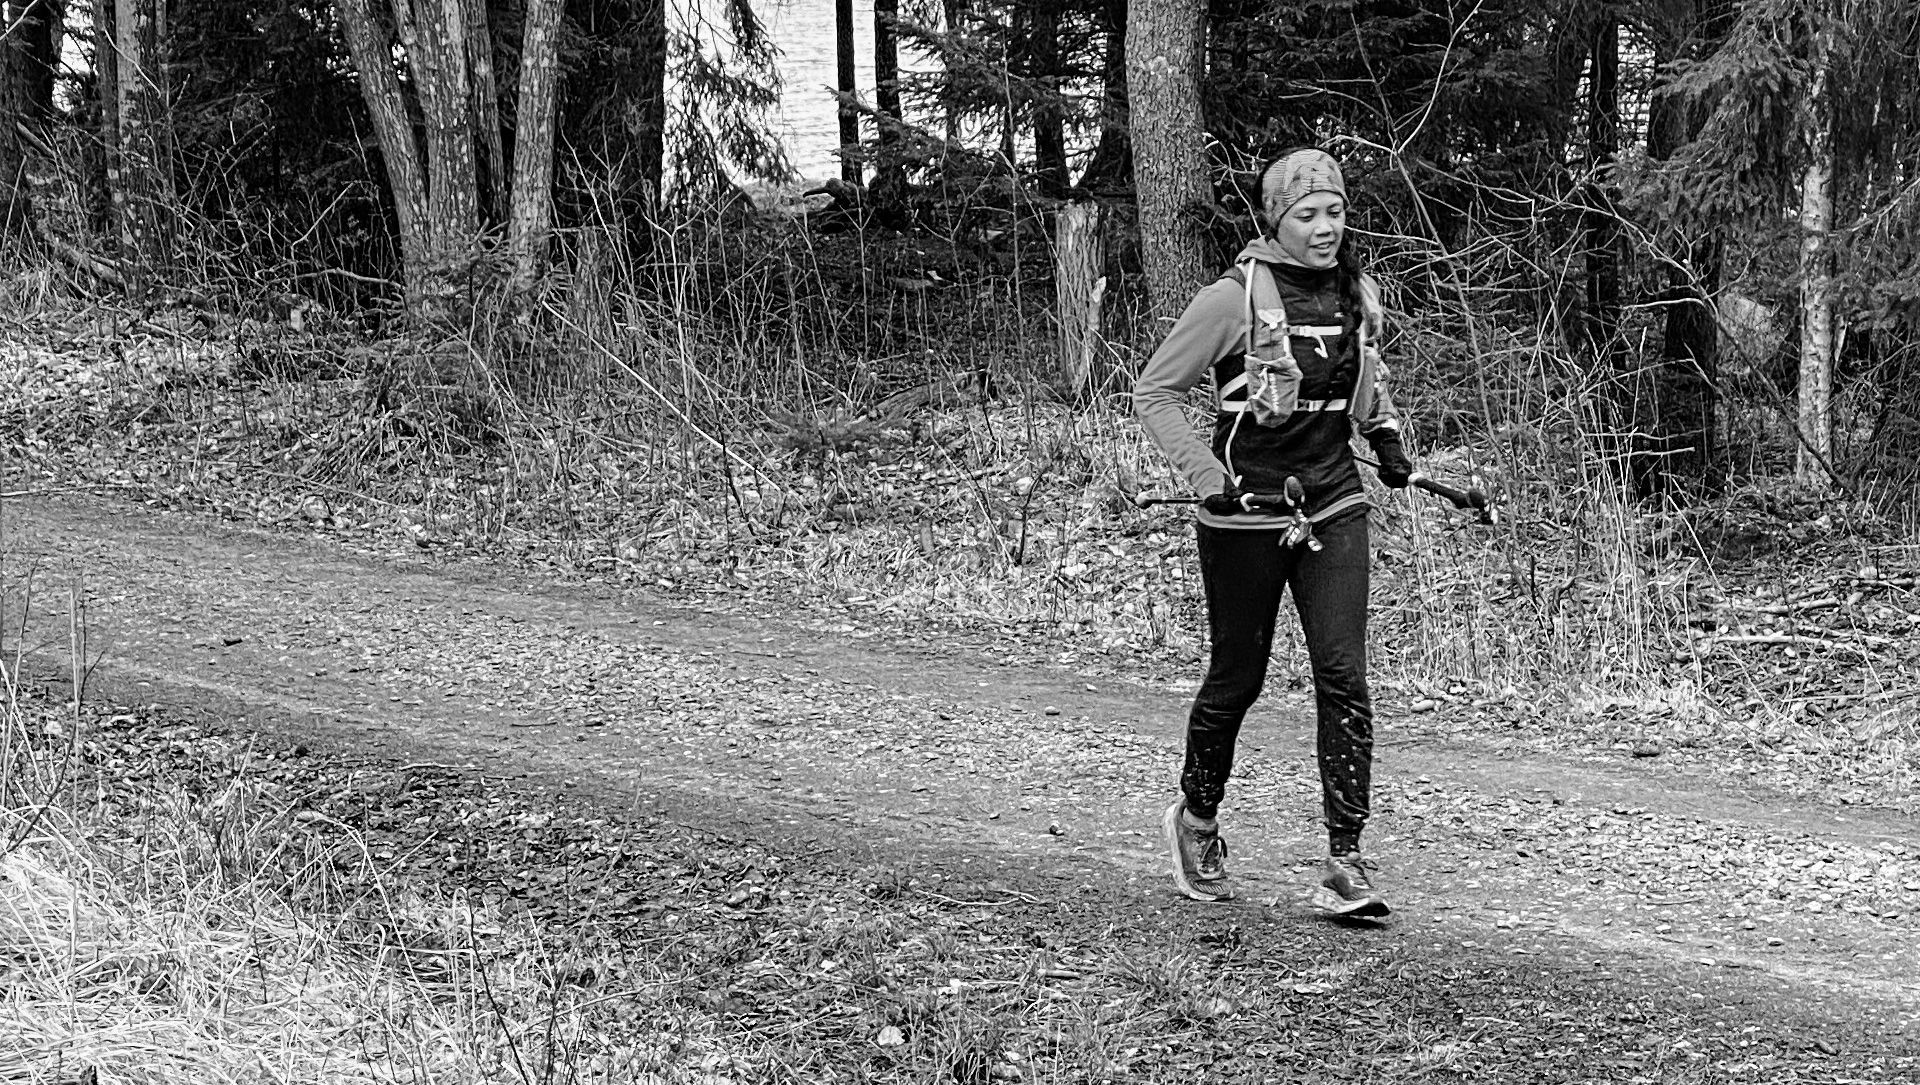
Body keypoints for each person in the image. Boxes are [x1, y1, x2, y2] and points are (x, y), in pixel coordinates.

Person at [1131, 146, 1412, 917]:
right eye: (1307, 214)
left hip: (1331, 501)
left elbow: (1364, 384)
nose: (1326, 227)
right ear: (1275, 219)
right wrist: (1205, 475)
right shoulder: (1230, 300)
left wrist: (1384, 437)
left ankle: (1344, 862)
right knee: (1238, 679)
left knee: (1344, 677)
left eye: (1336, 211)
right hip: (1243, 516)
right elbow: (1153, 392)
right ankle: (1197, 818)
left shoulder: (1358, 292)